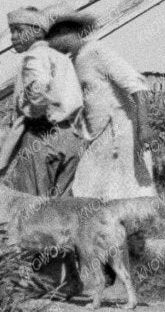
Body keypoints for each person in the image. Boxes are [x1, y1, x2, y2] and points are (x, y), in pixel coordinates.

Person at [47, 11, 155, 201]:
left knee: (125, 189)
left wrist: (144, 126)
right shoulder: (75, 60)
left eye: (52, 38)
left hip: (120, 132)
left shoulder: (96, 51)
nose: (50, 45)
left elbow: (138, 85)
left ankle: (134, 226)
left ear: (65, 33)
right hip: (97, 134)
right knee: (93, 188)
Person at [0, 6, 88, 198]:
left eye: (19, 30)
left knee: (32, 204)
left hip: (42, 136)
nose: (13, 37)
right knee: (60, 205)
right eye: (11, 31)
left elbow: (39, 89)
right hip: (71, 138)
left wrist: (42, 114)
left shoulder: (33, 57)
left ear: (36, 32)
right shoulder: (61, 58)